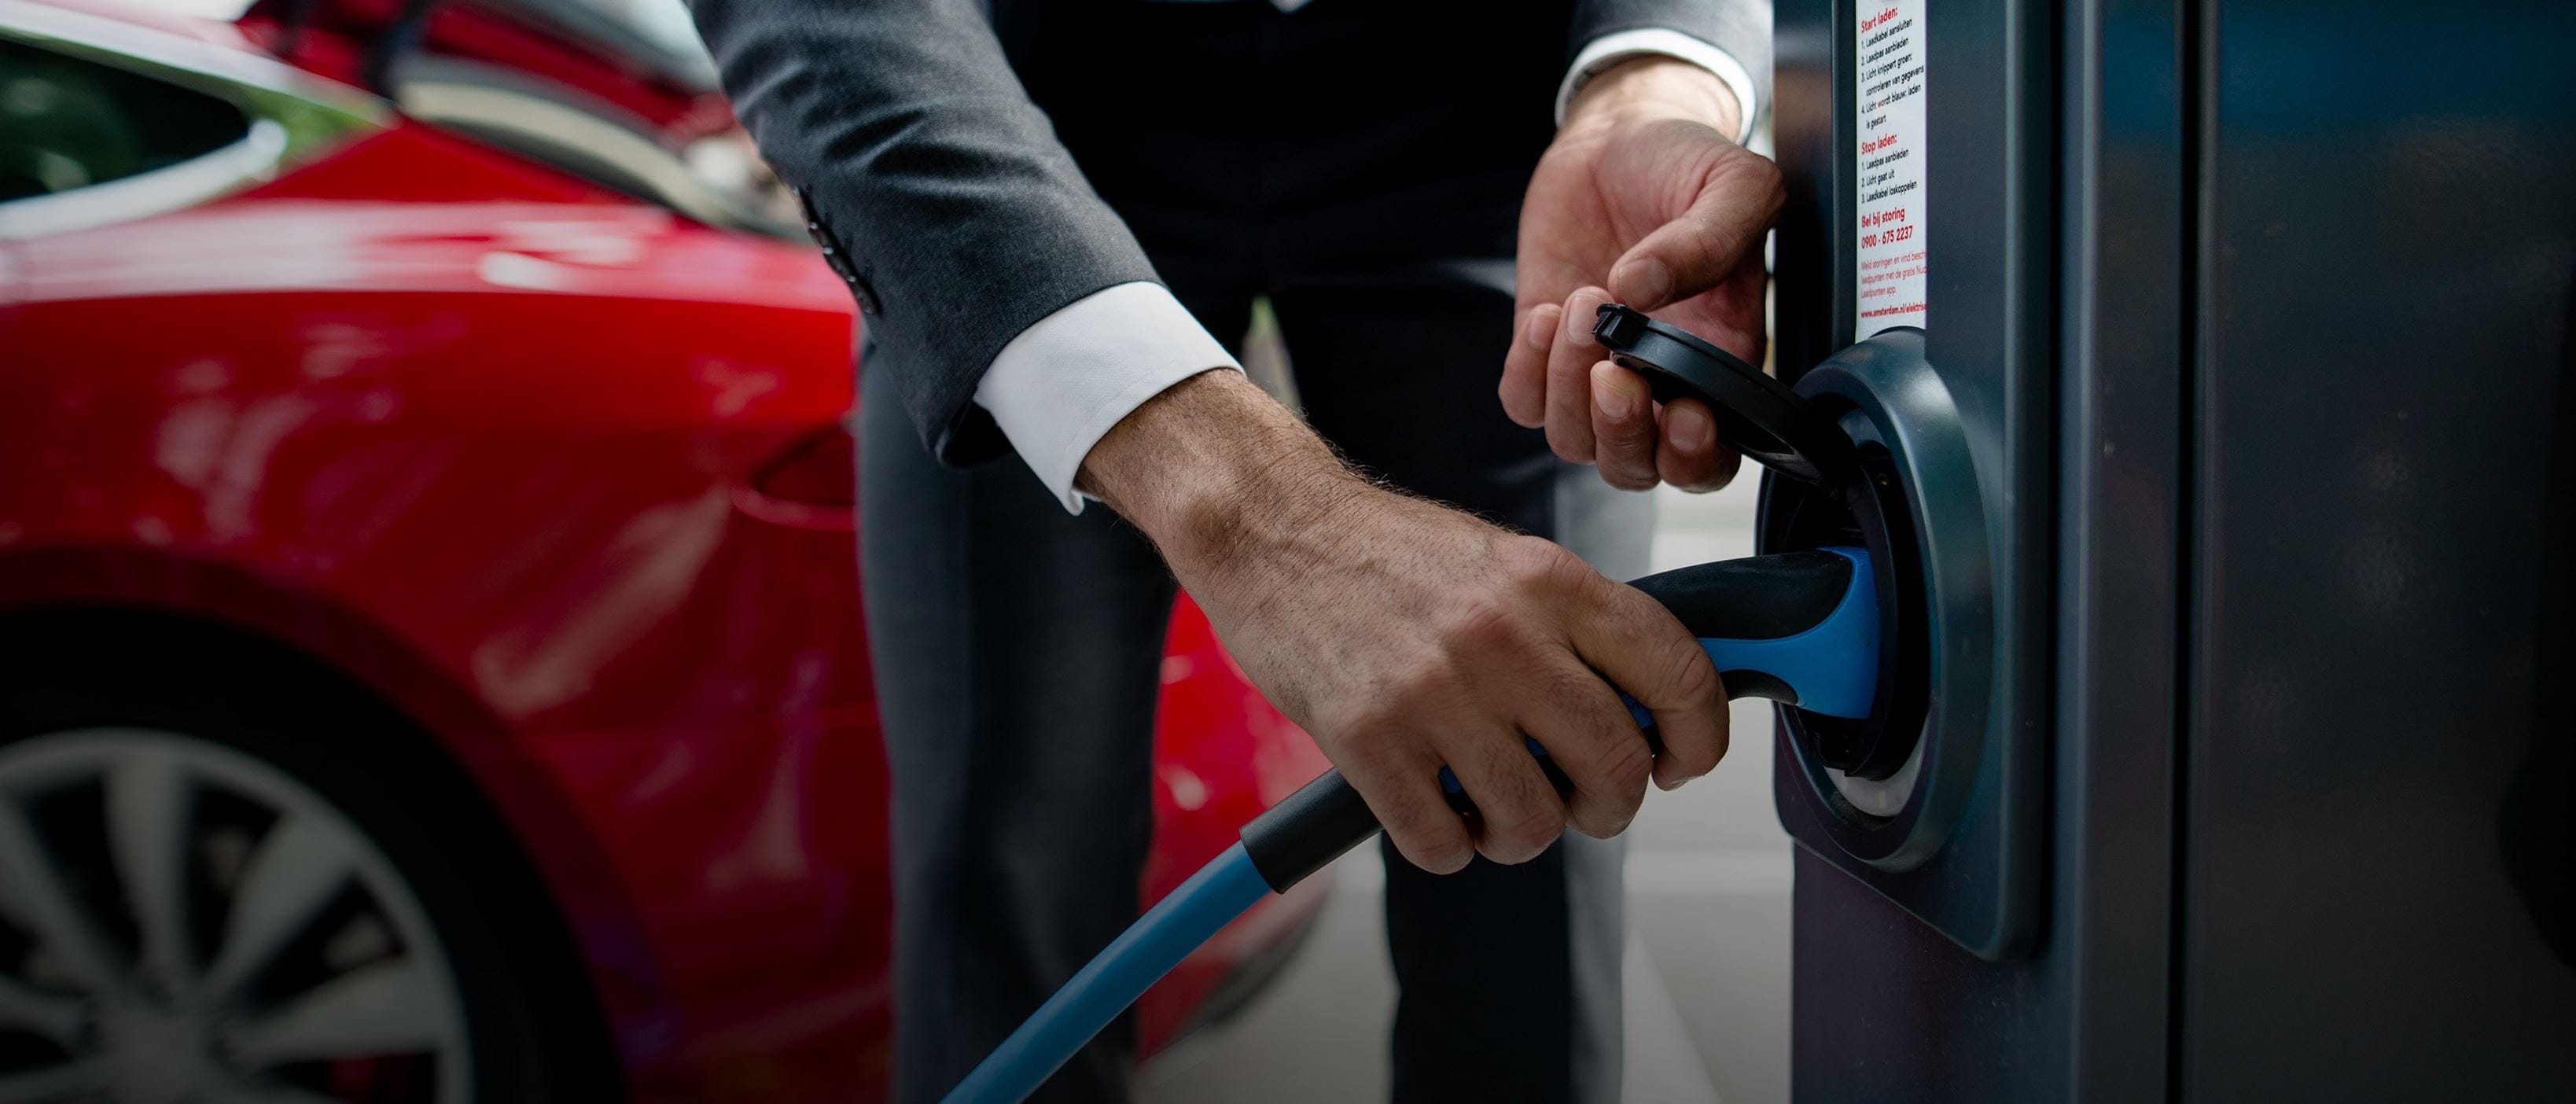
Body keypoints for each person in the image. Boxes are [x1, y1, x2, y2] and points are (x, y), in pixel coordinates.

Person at [684, 2, 1783, 1100]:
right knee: (1005, 877)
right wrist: (1263, 523)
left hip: (1496, 144)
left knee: (1535, 840)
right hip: (1013, 139)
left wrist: (1645, 85)